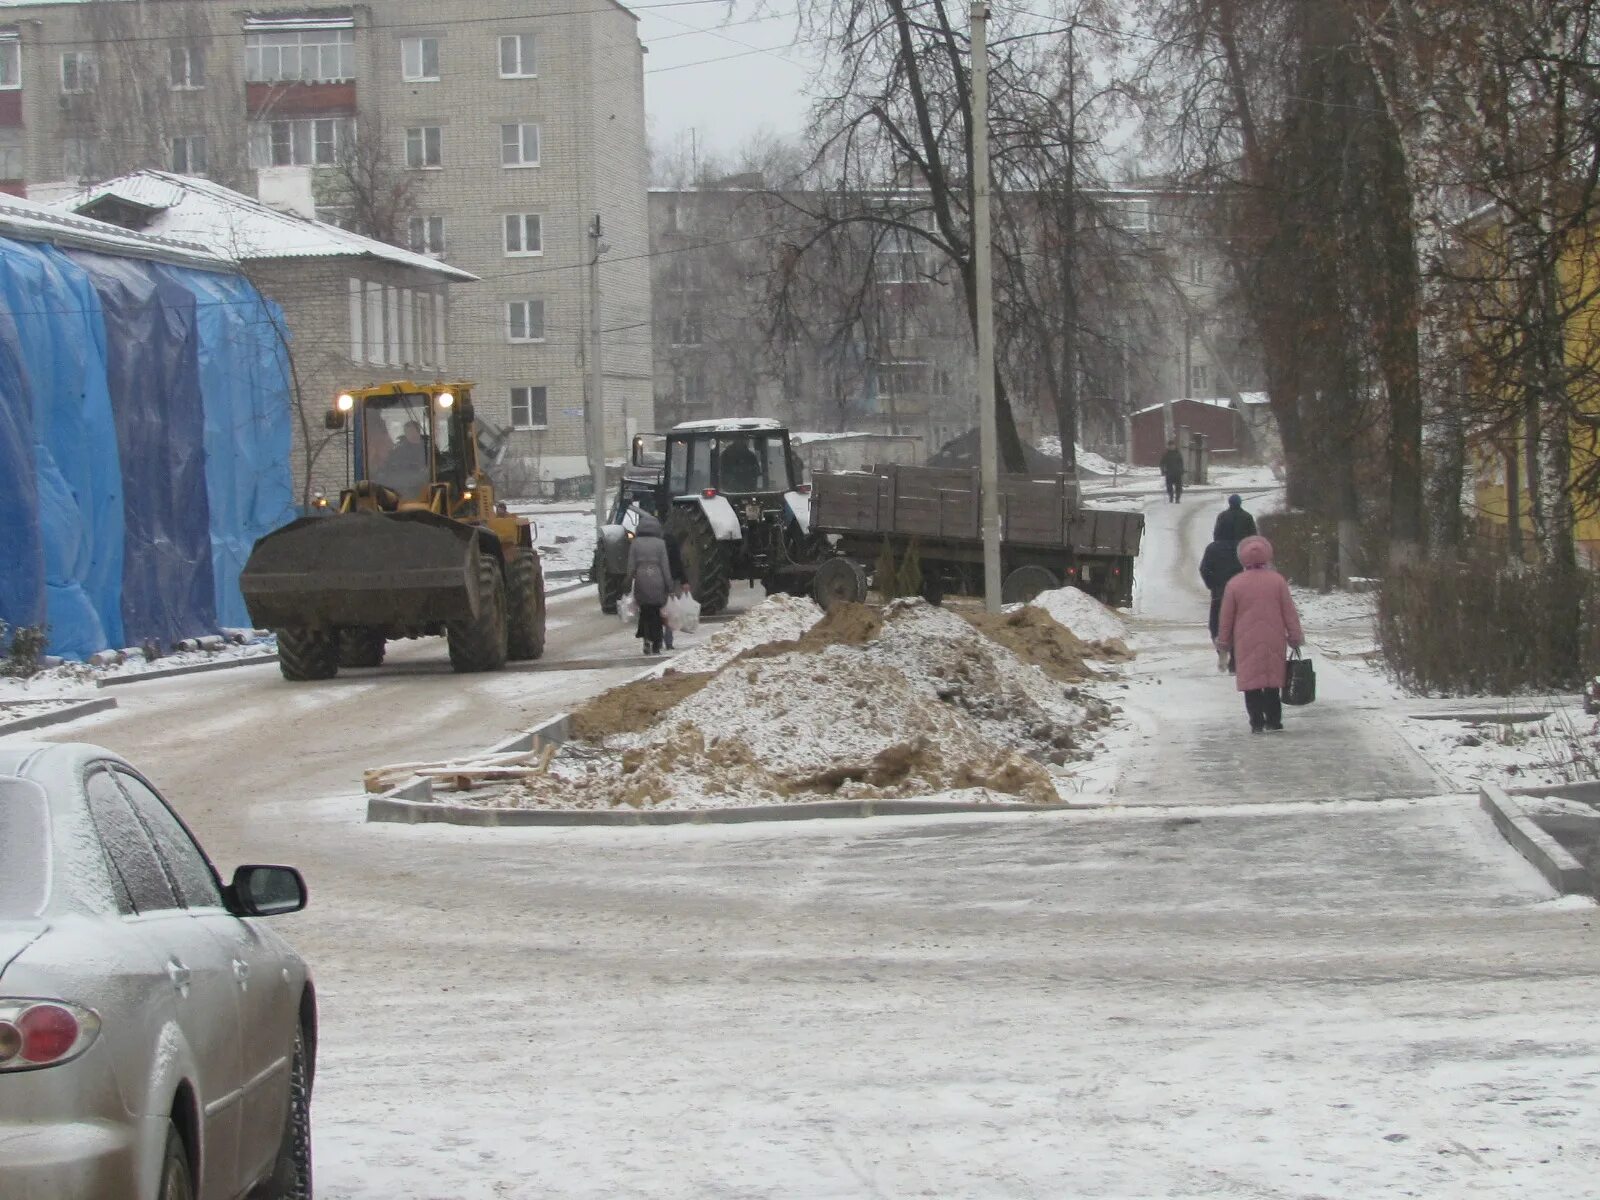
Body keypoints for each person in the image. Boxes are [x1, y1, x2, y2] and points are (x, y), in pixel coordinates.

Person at [1216, 535, 1304, 734]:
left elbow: (1226, 617)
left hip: (1245, 640)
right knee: (1273, 680)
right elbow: (1289, 612)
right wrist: (1295, 636)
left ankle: (1256, 721)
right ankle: (1274, 720)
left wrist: (1224, 642)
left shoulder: (1235, 584)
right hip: (1274, 638)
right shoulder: (1277, 581)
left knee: (1251, 682)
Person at [626, 511, 673, 655]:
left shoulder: (635, 544)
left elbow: (631, 566)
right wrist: (669, 585)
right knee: (656, 613)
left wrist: (627, 581)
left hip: (641, 579)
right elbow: (665, 566)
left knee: (645, 612)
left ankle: (646, 639)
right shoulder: (661, 544)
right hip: (657, 579)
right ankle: (657, 644)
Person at [1199, 532, 1243, 672]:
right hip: (1239, 593)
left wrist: (1212, 584)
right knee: (1238, 625)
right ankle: (1236, 658)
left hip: (1219, 593)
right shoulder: (1241, 548)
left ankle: (1222, 651)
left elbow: (1204, 569)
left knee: (1215, 625)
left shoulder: (1213, 548)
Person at [383, 419, 429, 496]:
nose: (411, 434)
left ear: (418, 431)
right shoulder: (398, 452)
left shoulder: (429, 448)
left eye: (413, 431)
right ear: (405, 433)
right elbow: (390, 469)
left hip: (426, 487)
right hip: (403, 489)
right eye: (408, 432)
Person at [661, 524, 688, 651]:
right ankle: (668, 641)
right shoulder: (672, 541)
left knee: (655, 610)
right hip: (670, 579)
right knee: (669, 610)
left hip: (653, 579)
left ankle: (655, 639)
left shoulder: (652, 543)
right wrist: (684, 580)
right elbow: (678, 562)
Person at [1159, 438, 1185, 503]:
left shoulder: (1178, 453)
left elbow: (1181, 462)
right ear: (1168, 446)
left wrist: (1181, 470)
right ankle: (1171, 497)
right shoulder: (1166, 454)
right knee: (1169, 487)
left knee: (1178, 487)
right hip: (1169, 473)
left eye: (1172, 445)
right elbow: (1162, 463)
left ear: (1174, 446)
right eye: (1170, 446)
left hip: (1177, 473)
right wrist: (1162, 471)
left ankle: (1177, 499)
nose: (1172, 447)